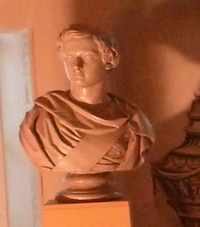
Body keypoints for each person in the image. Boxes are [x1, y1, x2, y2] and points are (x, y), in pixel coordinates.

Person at [20, 24, 153, 199]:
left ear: (108, 60)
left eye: (88, 57)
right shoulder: (41, 120)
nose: (76, 65)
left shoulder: (133, 122)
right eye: (69, 57)